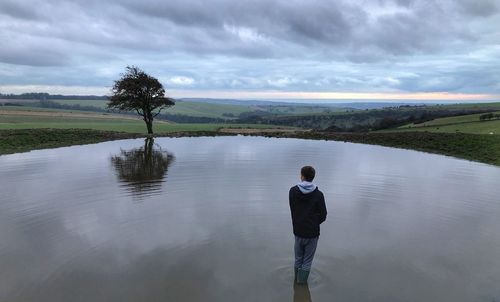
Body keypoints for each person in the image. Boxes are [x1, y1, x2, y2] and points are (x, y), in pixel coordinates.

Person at [289, 166, 327, 284]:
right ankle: (301, 286)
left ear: (302, 176)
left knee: (298, 259)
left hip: (298, 231)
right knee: (307, 261)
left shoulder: (292, 191)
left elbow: (293, 209)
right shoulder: (319, 195)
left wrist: (299, 221)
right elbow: (323, 215)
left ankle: (296, 282)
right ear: (313, 177)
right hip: (312, 234)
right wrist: (314, 223)